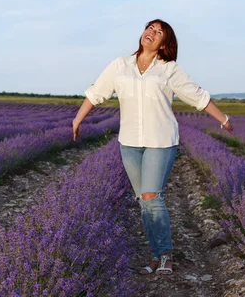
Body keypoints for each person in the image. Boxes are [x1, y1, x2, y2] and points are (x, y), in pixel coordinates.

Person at [72, 19, 233, 275]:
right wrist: (77, 119)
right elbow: (96, 93)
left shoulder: (168, 69)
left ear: (164, 43)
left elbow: (196, 95)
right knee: (143, 201)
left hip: (161, 141)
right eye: (150, 28)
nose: (152, 33)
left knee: (152, 196)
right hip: (130, 144)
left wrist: (223, 119)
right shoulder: (120, 65)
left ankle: (166, 255)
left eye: (159, 32)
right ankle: (157, 255)